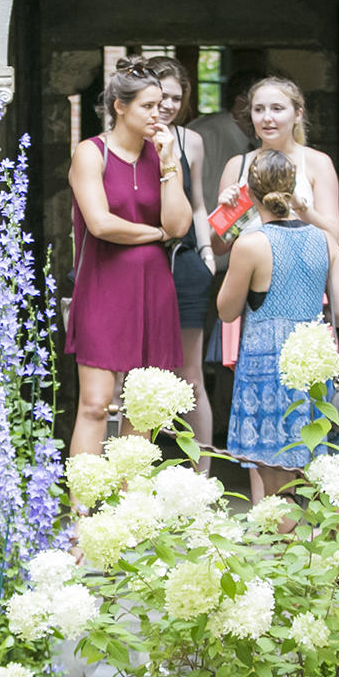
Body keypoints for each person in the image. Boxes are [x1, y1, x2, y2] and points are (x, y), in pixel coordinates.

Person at [208, 76, 339, 502]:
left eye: (277, 108)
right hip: (253, 295)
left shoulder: (317, 163)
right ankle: (266, 515)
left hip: (301, 300)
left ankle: (290, 519)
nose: (267, 117)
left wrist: (304, 210)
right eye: (259, 109)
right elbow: (219, 245)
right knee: (258, 409)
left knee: (299, 410)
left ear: (297, 113)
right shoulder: (237, 164)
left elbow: (333, 237)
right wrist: (226, 211)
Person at [67, 58, 192, 460]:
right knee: (96, 403)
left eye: (163, 105)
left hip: (153, 287)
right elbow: (101, 224)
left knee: (143, 410)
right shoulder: (91, 153)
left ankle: (127, 511)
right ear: (120, 107)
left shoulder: (163, 156)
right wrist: (155, 235)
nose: (160, 114)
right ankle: (85, 513)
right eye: (148, 106)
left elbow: (179, 223)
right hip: (103, 286)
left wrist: (170, 162)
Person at [150, 58, 217, 461]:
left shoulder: (191, 140)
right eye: (162, 96)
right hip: (141, 260)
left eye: (177, 97)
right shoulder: (122, 139)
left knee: (191, 378)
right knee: (138, 376)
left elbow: (198, 204)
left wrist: (207, 253)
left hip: (184, 261)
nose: (170, 105)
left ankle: (203, 475)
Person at [188, 85, 255, 216]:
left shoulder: (256, 138)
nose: (266, 117)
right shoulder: (206, 135)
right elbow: (198, 194)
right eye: (258, 108)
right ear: (240, 103)